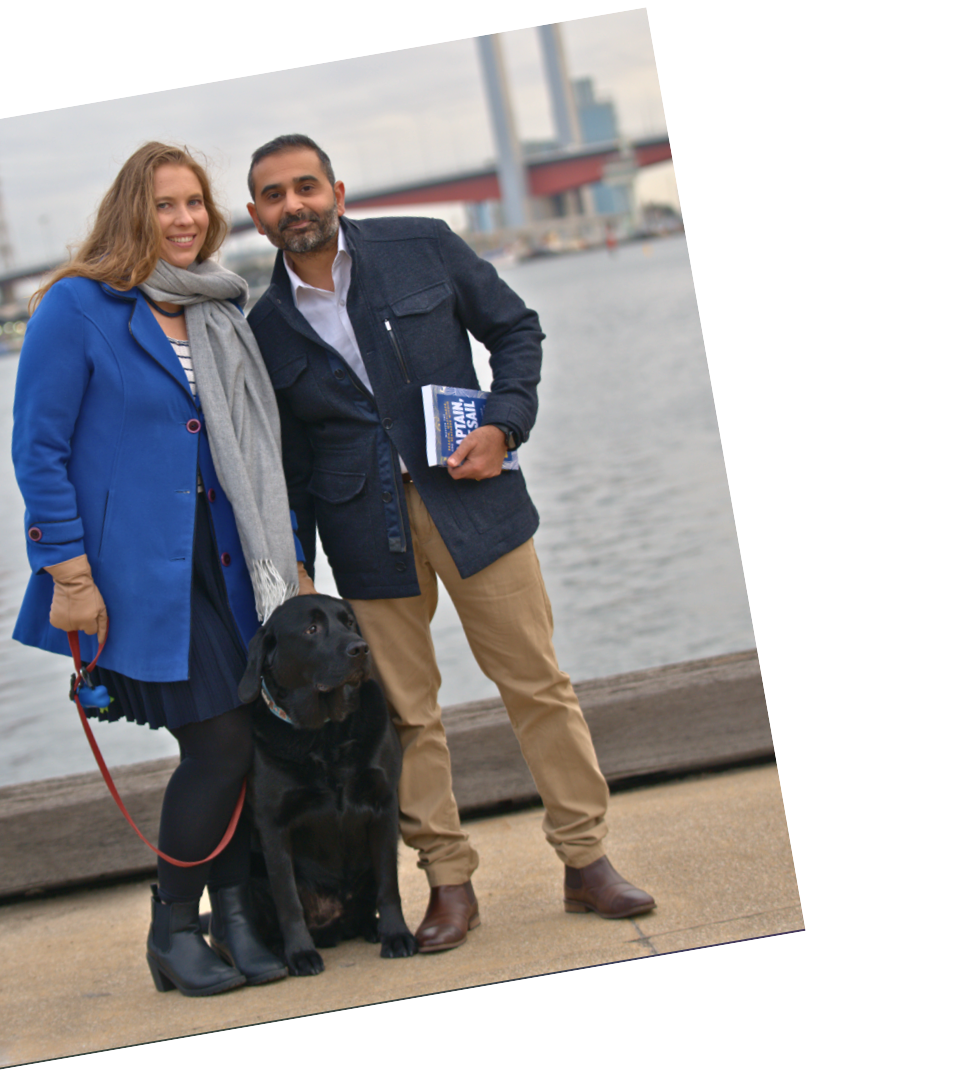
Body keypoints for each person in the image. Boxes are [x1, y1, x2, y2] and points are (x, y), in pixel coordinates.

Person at [243, 134, 656, 954]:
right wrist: (294, 560)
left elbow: (517, 330)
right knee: (405, 715)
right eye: (274, 195)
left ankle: (586, 860)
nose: (295, 205)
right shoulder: (266, 327)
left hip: (476, 503)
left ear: (338, 191)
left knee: (537, 684)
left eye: (306, 187)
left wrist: (505, 423)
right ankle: (448, 881)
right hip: (364, 534)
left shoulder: (422, 244)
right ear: (256, 217)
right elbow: (287, 461)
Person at [11, 141, 313, 997]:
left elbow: (258, 446)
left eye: (193, 204)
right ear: (130, 214)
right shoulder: (77, 309)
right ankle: (173, 929)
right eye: (164, 205)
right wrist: (69, 575)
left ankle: (240, 920)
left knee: (249, 736)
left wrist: (288, 549)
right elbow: (39, 449)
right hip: (139, 579)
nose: (183, 221)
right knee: (218, 742)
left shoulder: (219, 306)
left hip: (232, 561)